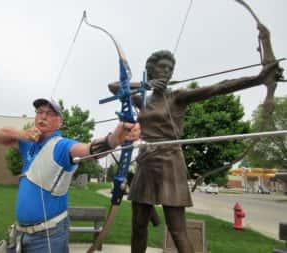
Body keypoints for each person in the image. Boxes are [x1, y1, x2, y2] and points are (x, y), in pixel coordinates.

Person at [108, 24, 282, 253]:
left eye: (170, 68)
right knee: (138, 225)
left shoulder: (178, 96)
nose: (167, 71)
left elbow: (219, 88)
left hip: (170, 162)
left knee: (177, 228)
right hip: (146, 162)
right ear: (150, 71)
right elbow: (113, 87)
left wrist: (259, 79)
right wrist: (144, 85)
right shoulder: (143, 99)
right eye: (162, 67)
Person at [0, 98, 140, 253]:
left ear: (59, 122)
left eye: (49, 113)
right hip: (21, 234)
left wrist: (115, 139)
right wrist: (23, 134)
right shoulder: (27, 143)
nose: (43, 117)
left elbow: (88, 150)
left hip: (48, 236)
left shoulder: (62, 145)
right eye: (40, 112)